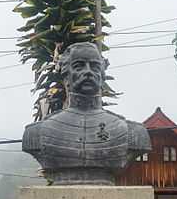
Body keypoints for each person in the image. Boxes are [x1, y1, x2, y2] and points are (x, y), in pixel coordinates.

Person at [23, 42, 151, 185]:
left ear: (102, 75)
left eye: (95, 66)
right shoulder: (35, 133)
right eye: (79, 66)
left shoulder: (135, 134)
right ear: (66, 74)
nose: (88, 71)